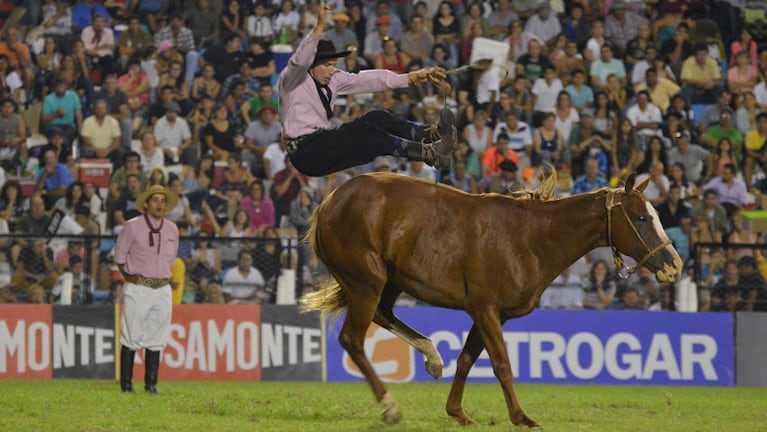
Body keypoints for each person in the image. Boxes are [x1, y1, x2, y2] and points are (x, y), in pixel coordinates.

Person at [278, 4, 456, 177]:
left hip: (324, 145)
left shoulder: (334, 78)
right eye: (326, 65)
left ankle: (431, 135)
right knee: (373, 138)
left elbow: (368, 79)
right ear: (311, 65)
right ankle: (427, 153)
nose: (331, 70)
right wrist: (318, 28)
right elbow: (299, 61)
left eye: (333, 65)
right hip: (306, 152)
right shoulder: (293, 80)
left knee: (378, 117)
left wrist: (410, 77)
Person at [114, 184, 179, 394]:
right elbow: (120, 257)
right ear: (146, 204)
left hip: (162, 287)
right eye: (155, 200)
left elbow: (171, 259)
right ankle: (126, 384)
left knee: (157, 336)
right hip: (139, 286)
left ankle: (151, 385)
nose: (160, 205)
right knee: (131, 333)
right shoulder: (132, 226)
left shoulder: (172, 229)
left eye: (163, 201)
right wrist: (129, 278)